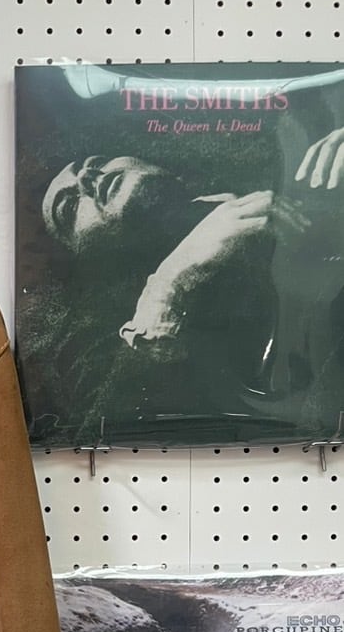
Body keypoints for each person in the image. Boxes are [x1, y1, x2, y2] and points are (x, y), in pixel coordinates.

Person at [22, 126, 344, 445]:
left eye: (96, 162)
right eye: (69, 206)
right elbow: (103, 426)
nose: (87, 177)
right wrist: (173, 280)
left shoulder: (278, 171)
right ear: (81, 256)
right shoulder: (91, 341)